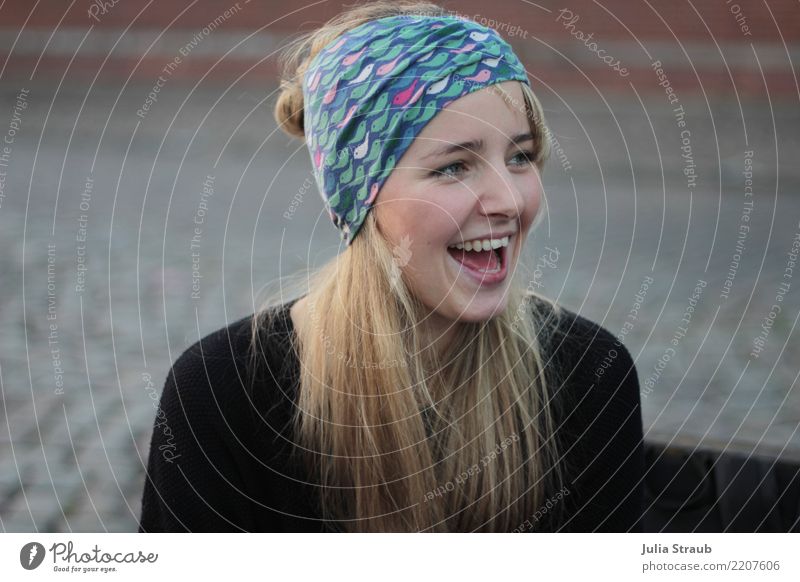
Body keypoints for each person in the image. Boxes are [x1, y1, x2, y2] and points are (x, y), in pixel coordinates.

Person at [138, 0, 645, 533]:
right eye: (453, 166)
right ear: (363, 199)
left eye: (519, 156)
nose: (510, 200)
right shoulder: (224, 392)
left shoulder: (590, 374)